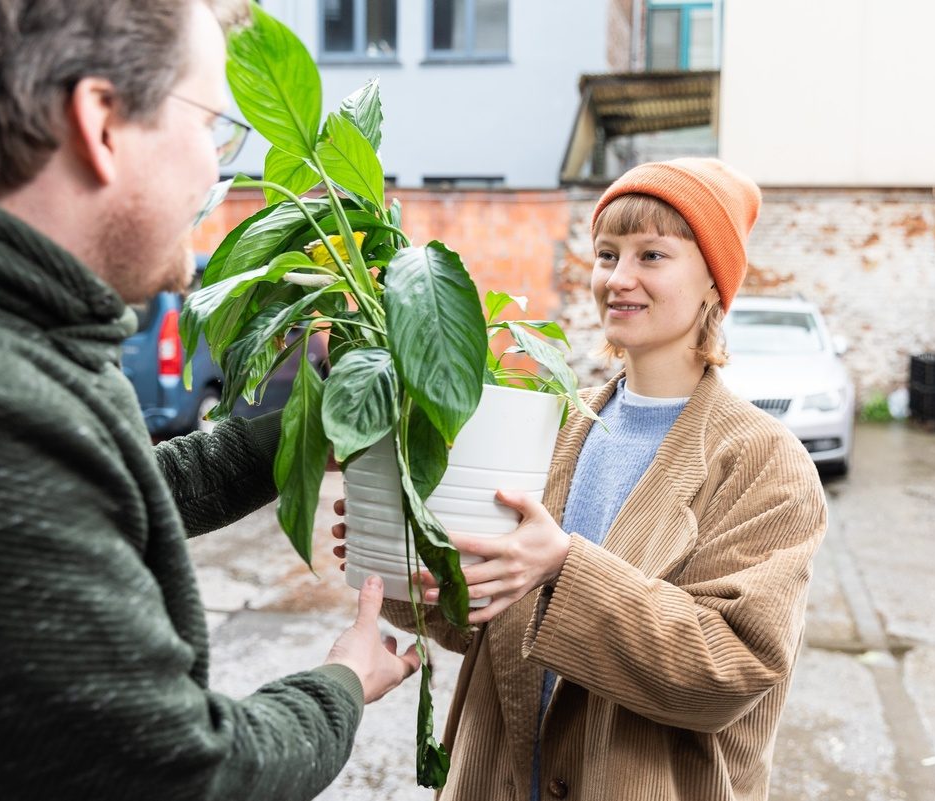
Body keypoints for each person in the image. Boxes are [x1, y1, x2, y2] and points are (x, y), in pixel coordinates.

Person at [0, 2, 418, 799]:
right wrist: (340, 683)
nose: (219, 170)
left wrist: (308, 434)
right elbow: (175, 773)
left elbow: (92, 499)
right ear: (100, 122)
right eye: (212, 126)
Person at [335, 157, 828, 800]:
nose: (618, 279)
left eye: (652, 255)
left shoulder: (766, 464)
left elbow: (728, 670)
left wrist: (564, 567)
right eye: (605, 254)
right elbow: (485, 620)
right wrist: (405, 557)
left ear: (713, 281)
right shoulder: (553, 423)